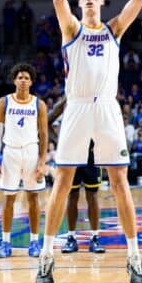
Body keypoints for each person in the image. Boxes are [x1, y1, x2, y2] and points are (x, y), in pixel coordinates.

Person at [37, 0, 142, 283]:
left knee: (119, 182)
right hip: (77, 108)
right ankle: (46, 256)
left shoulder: (114, 28)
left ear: (100, 2)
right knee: (63, 183)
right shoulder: (71, 28)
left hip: (107, 110)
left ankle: (134, 257)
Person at [0, 63, 49, 259]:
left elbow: (44, 134)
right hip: (10, 153)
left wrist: (42, 161)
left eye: (27, 78)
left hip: (32, 152)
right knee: (9, 199)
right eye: (20, 77)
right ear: (14, 80)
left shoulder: (38, 104)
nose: (23, 81)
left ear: (31, 82)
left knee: (33, 199)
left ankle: (34, 241)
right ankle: (5, 242)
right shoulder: (4, 102)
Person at [48, 98, 106, 255]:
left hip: (91, 155)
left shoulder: (95, 99)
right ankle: (71, 238)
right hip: (71, 155)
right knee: (71, 196)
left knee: (92, 196)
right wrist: (59, 142)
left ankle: (95, 237)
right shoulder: (67, 100)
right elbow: (47, 121)